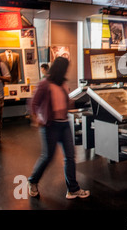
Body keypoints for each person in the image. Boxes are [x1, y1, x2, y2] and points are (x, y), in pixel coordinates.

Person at [27, 57, 90, 199]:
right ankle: (33, 181)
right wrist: (37, 119)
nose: (67, 71)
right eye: (66, 68)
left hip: (64, 124)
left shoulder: (62, 83)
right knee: (47, 156)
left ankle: (73, 189)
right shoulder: (45, 84)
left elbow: (65, 101)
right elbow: (34, 103)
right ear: (60, 68)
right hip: (50, 125)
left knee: (70, 157)